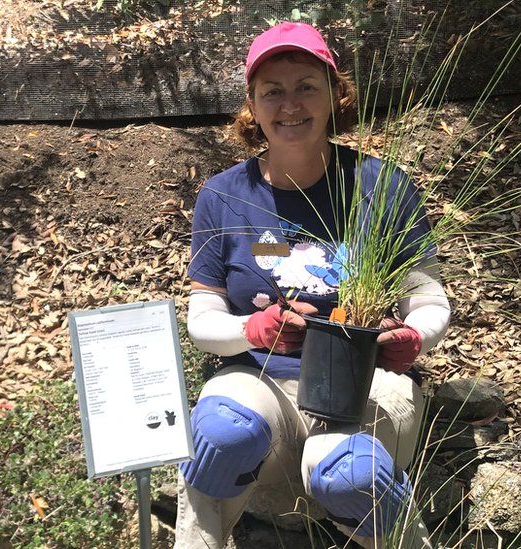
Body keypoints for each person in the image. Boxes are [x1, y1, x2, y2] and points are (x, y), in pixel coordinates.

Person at [177, 21, 451, 549]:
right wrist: (255, 330)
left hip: (364, 385)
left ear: (334, 94)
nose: (289, 104)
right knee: (220, 435)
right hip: (258, 382)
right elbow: (202, 323)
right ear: (252, 107)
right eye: (272, 92)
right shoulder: (223, 195)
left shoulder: (382, 185)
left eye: (306, 85)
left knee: (347, 471)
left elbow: (429, 300)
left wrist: (414, 338)